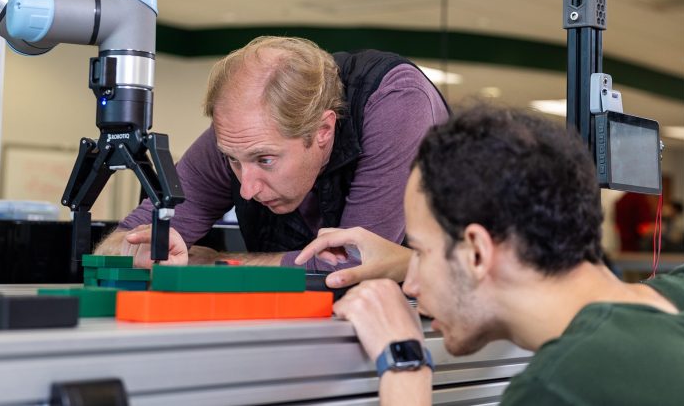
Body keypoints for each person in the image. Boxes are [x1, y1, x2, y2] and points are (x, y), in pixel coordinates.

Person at [295, 107, 684, 405]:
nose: (411, 285)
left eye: (421, 251)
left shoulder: (563, 383)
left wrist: (404, 365)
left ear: (478, 253)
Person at [95, 36, 449, 268]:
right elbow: (121, 240)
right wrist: (136, 251)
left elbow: (357, 264)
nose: (246, 190)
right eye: (234, 160)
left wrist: (220, 263)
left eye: (265, 160)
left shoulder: (395, 103)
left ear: (323, 130)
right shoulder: (239, 137)